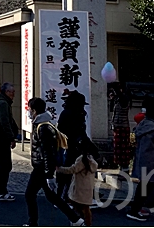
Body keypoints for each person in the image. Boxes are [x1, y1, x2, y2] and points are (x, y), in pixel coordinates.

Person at [24, 97, 84, 227]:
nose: (28, 111)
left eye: (29, 109)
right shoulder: (44, 124)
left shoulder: (43, 127)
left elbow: (47, 152)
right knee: (52, 197)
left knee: (30, 194)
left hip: (41, 167)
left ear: (34, 111)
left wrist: (49, 174)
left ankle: (32, 223)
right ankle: (76, 220)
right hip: (43, 167)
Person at [56, 135, 100, 226]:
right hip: (88, 188)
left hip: (79, 188)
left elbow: (72, 170)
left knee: (76, 205)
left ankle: (78, 222)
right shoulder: (91, 160)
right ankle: (86, 223)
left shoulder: (81, 159)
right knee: (85, 208)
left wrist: (59, 169)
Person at [57, 91, 89, 200]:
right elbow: (67, 131)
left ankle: (66, 195)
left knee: (72, 171)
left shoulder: (76, 113)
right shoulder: (70, 114)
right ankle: (62, 195)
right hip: (68, 146)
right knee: (67, 171)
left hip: (74, 147)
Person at [110, 84, 132, 171]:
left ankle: (125, 167)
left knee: (123, 148)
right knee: (118, 148)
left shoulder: (124, 99)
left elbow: (119, 95)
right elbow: (112, 110)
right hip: (118, 126)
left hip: (122, 126)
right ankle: (122, 167)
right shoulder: (118, 100)